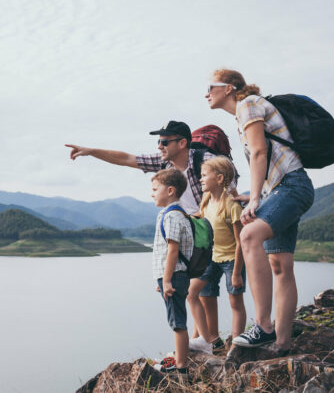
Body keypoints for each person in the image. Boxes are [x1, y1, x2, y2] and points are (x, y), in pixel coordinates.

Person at [205, 68, 314, 352]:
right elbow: (263, 159)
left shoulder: (248, 104)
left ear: (228, 88)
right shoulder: (245, 110)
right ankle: (282, 342)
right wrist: (255, 196)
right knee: (280, 266)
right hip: (280, 190)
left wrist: (254, 200)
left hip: (291, 186)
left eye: (211, 87)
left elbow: (259, 152)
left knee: (250, 236)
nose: (207, 93)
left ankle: (263, 326)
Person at [66, 121, 235, 215]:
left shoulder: (206, 160)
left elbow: (231, 191)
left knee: (233, 279)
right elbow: (127, 158)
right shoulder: (164, 163)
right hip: (192, 232)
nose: (160, 146)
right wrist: (91, 151)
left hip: (218, 230)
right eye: (158, 142)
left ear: (182, 143)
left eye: (164, 142)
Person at [186, 156, 246, 354]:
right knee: (193, 294)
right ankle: (209, 339)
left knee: (235, 302)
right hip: (210, 259)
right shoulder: (205, 204)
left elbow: (240, 242)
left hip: (231, 260)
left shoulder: (231, 205)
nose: (200, 179)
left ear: (219, 179)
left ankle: (237, 345)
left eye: (204, 175)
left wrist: (237, 272)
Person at [150, 168, 194, 375]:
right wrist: (162, 280)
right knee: (175, 319)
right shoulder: (171, 214)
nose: (152, 193)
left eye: (155, 189)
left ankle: (181, 367)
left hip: (174, 276)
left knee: (177, 322)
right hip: (172, 276)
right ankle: (179, 361)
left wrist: (166, 281)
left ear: (170, 190)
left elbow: (173, 250)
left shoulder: (172, 216)